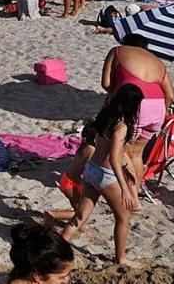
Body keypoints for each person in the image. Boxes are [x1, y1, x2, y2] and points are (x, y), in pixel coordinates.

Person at [62, 85, 144, 268]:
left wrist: (126, 166)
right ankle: (120, 258)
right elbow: (114, 157)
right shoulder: (121, 125)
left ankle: (58, 248)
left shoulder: (106, 114)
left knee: (80, 216)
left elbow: (107, 149)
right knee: (123, 218)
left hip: (91, 169)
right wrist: (125, 189)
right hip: (106, 175)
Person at [101, 33, 173, 193]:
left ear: (125, 43)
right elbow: (170, 96)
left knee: (124, 152)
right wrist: (164, 112)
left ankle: (125, 193)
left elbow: (105, 83)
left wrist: (117, 93)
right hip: (158, 108)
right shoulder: (158, 62)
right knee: (137, 154)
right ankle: (135, 193)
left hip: (134, 102)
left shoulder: (118, 50)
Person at [0, 223, 74, 284]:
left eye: (69, 273)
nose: (67, 280)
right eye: (62, 277)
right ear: (38, 276)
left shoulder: (1, 279)